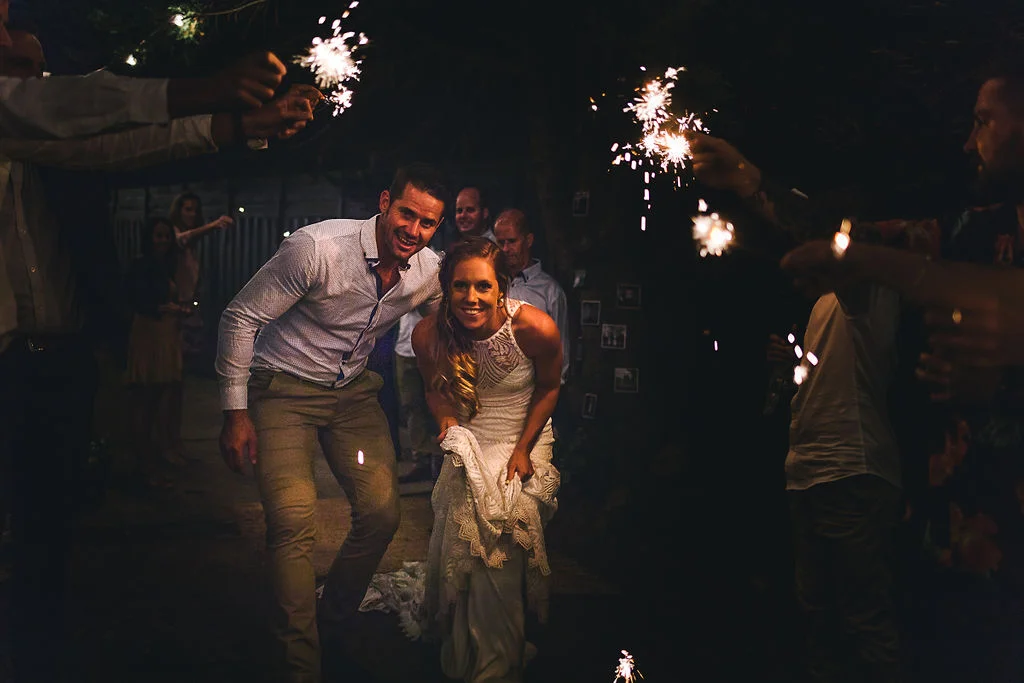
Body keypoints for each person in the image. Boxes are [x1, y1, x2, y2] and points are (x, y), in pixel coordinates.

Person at [0, 18, 318, 681]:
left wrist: (238, 123)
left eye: (25, 56)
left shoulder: (46, 152)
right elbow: (86, 104)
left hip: (57, 362)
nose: (13, 56)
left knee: (47, 535)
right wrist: (210, 88)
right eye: (3, 40)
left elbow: (113, 142)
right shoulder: (27, 118)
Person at [215, 163, 450, 683]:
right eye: (407, 214)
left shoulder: (429, 269)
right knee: (293, 522)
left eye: (428, 223)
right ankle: (301, 665)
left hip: (353, 397)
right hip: (282, 391)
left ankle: (334, 621)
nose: (413, 230)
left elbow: (451, 316)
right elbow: (240, 317)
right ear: (386, 202)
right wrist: (235, 412)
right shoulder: (316, 249)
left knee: (383, 513)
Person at [689, 131, 907, 683]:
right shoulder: (821, 304)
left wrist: (754, 185)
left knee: (861, 620)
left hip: (850, 472)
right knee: (818, 617)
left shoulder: (868, 289)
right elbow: (819, 378)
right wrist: (789, 365)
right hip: (810, 474)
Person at [410, 237, 562, 683]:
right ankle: (467, 652)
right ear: (445, 287)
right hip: (470, 438)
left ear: (502, 289)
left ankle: (498, 664)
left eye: (482, 287)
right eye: (460, 286)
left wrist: (523, 449)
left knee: (506, 539)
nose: (470, 298)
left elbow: (550, 388)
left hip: (524, 435)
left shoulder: (536, 328)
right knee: (466, 535)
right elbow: (435, 391)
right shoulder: (427, 334)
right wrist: (448, 426)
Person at [394, 185, 498, 483]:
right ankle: (424, 461)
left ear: (484, 213)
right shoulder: (442, 250)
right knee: (414, 403)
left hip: (455, 341)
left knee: (456, 401)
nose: (464, 215)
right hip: (411, 340)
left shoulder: (492, 252)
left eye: (470, 209)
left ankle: (452, 465)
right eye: (460, 210)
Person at [123, 217, 192, 487]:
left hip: (164, 332)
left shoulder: (169, 265)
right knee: (146, 397)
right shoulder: (142, 264)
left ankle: (149, 458)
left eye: (165, 236)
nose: (162, 241)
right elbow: (134, 296)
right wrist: (162, 307)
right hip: (149, 331)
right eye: (157, 236)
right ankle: (143, 461)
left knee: (158, 396)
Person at [493, 208, 569, 384]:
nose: (505, 249)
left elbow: (561, 351)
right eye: (500, 242)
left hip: (536, 390)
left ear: (528, 240)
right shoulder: (490, 284)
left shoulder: (550, 291)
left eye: (511, 241)